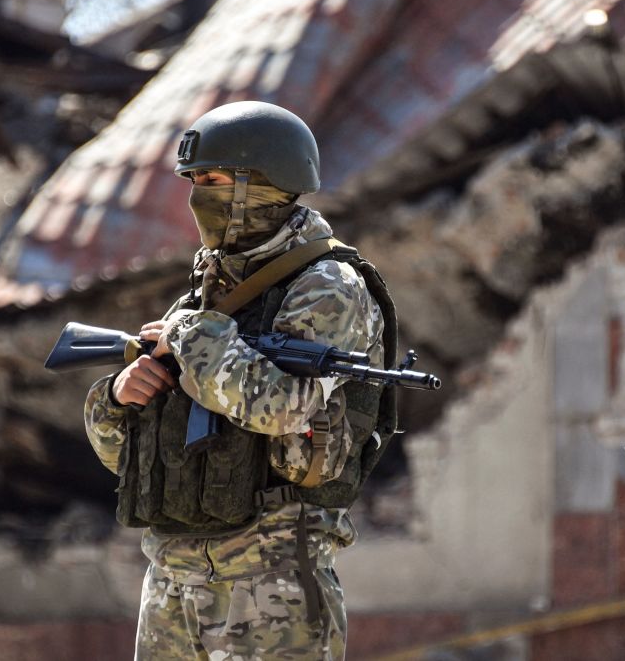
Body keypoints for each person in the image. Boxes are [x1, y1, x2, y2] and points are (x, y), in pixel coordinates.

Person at [82, 101, 393, 660]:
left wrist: (191, 338)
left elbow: (281, 409)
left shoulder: (327, 286)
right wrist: (117, 397)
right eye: (194, 181)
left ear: (265, 185)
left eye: (215, 181)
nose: (198, 195)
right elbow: (127, 456)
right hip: (172, 576)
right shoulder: (205, 295)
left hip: (270, 580)